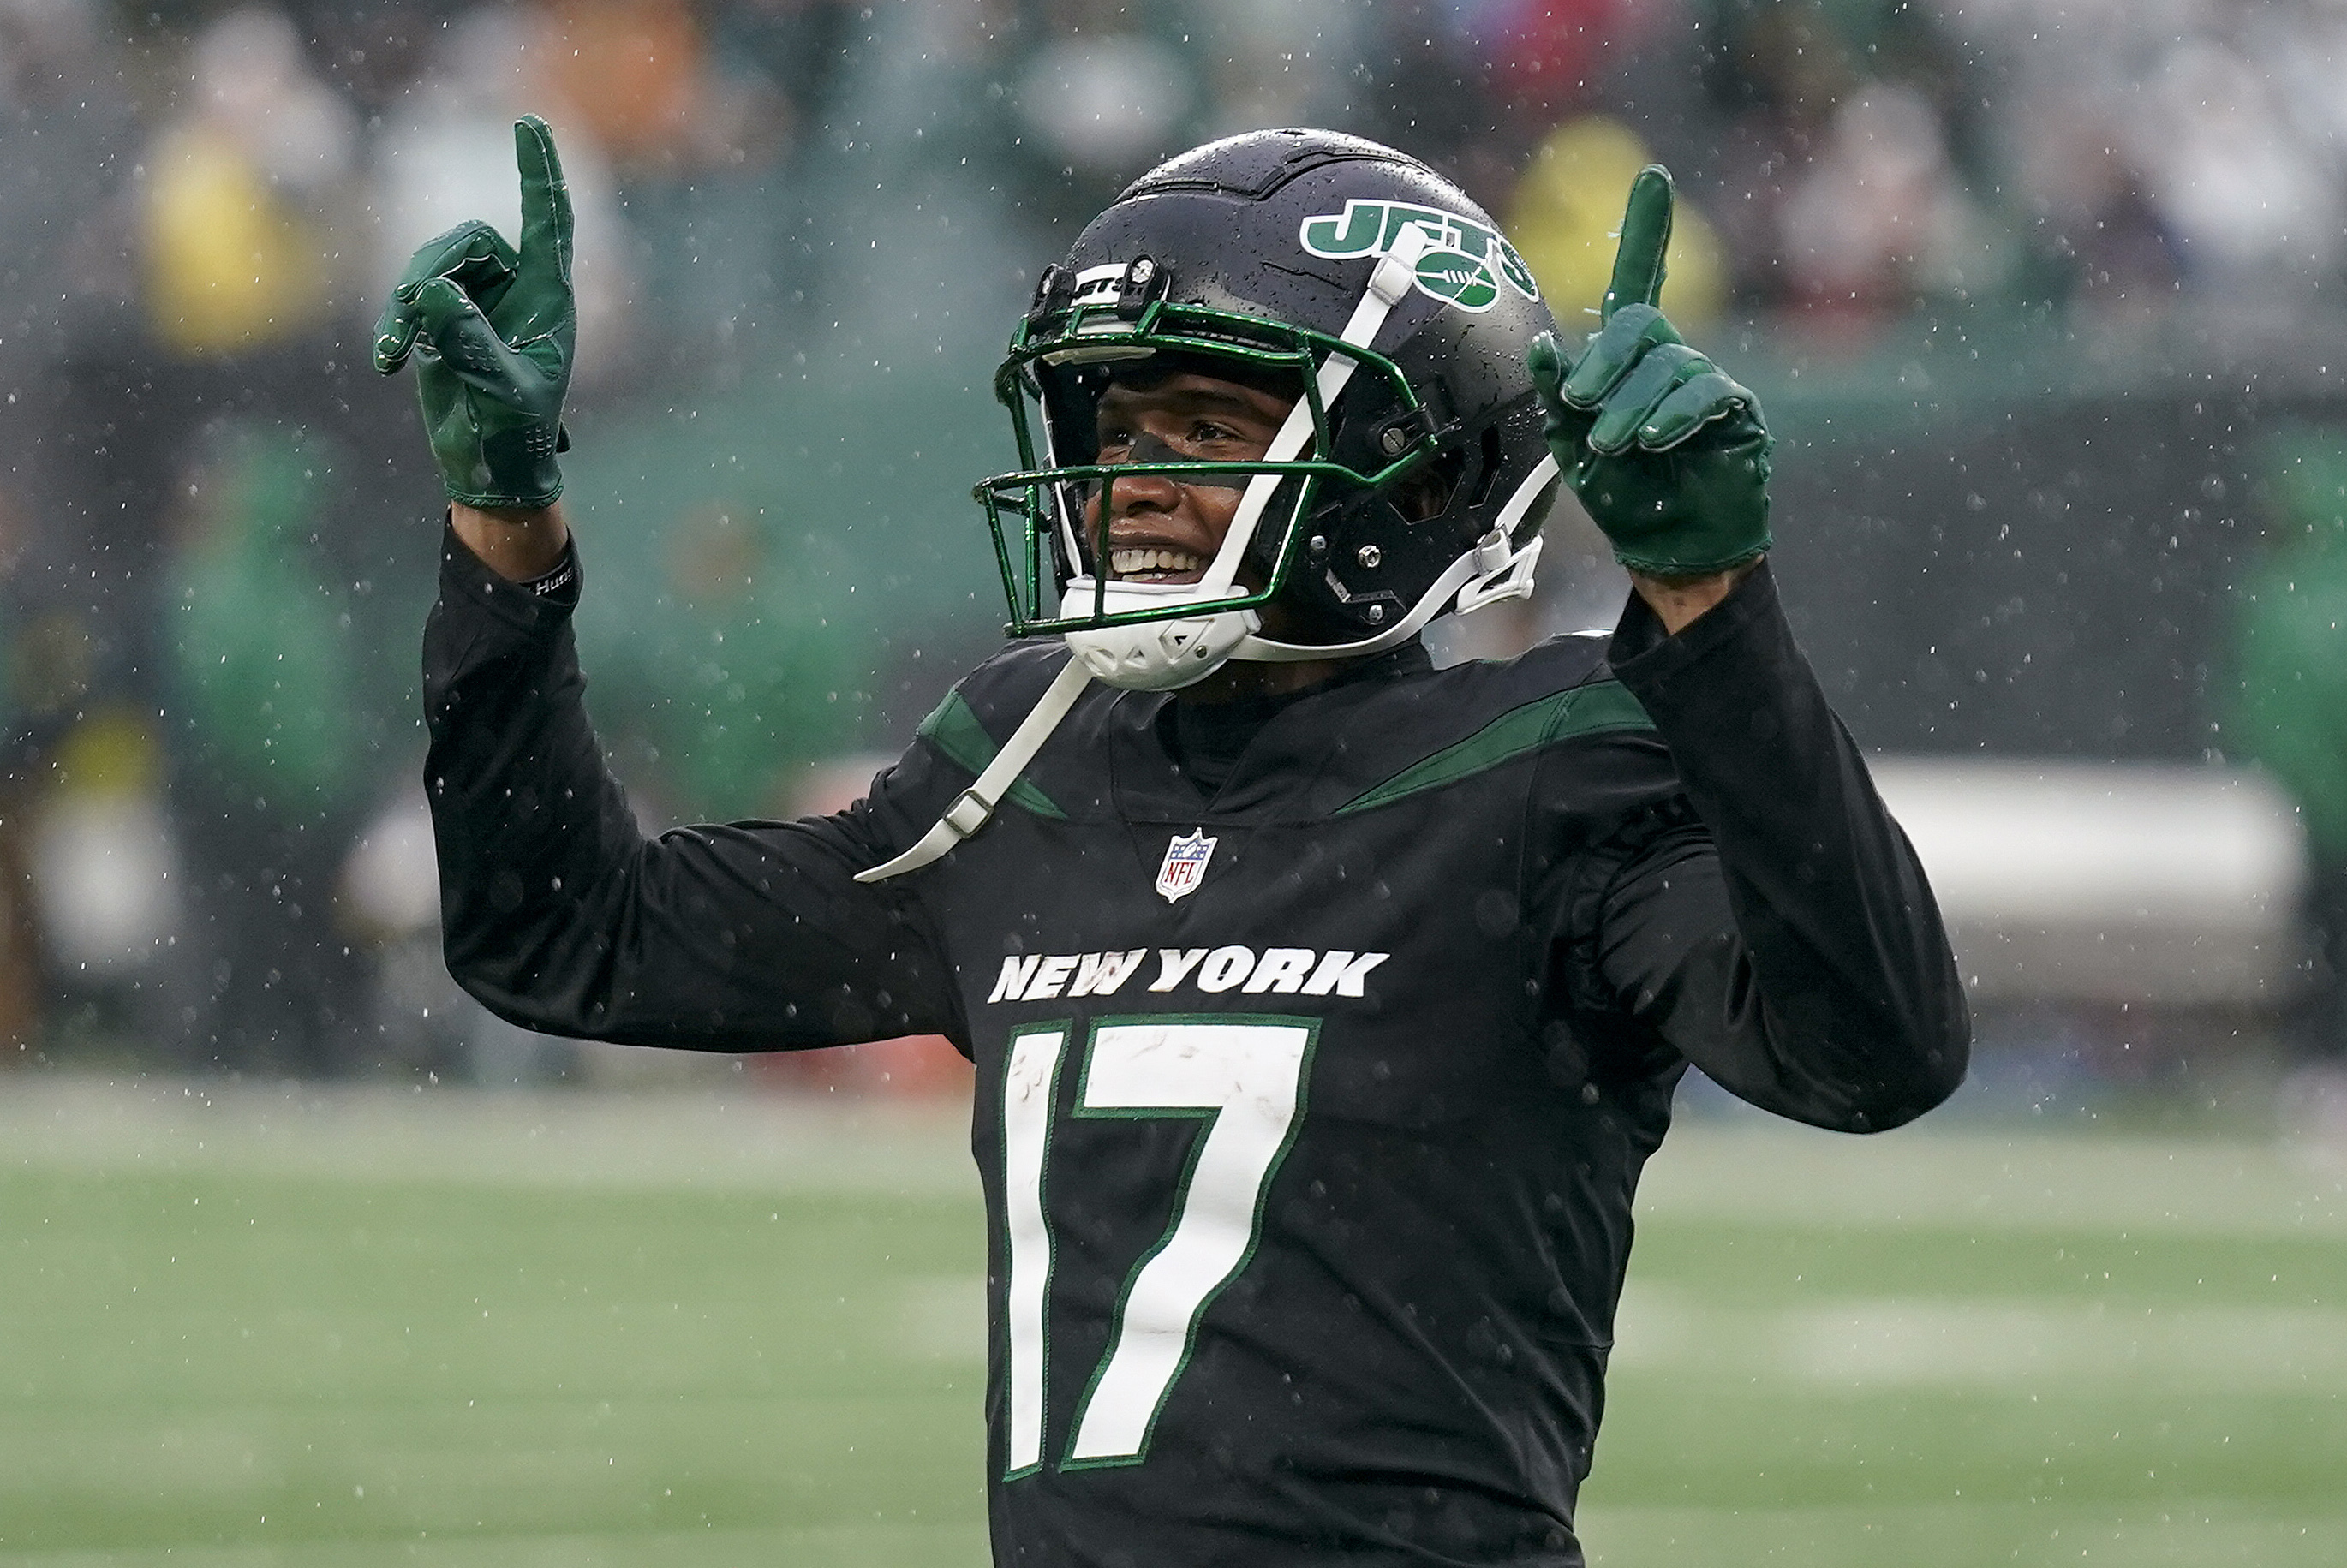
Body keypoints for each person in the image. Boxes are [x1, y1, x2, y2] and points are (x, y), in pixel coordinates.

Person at [378, 118, 1968, 1567]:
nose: (1136, 474)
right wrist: (507, 538)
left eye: (1211, 420)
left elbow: (1874, 1051)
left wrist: (1714, 615)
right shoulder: (1025, 762)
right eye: (1116, 419)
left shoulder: (1553, 767)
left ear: (1418, 468)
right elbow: (565, 937)